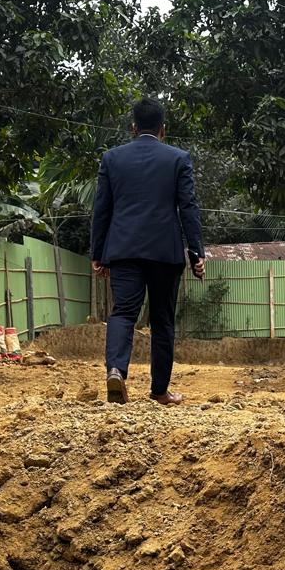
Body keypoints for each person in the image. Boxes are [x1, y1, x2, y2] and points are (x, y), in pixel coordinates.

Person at [90, 97, 204, 405]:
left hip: (124, 250)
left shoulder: (112, 158)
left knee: (123, 312)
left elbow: (102, 210)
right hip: (165, 253)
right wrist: (196, 252)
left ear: (133, 128)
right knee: (163, 320)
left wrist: (97, 253)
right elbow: (188, 207)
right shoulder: (179, 159)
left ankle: (116, 370)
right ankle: (159, 391)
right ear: (163, 130)